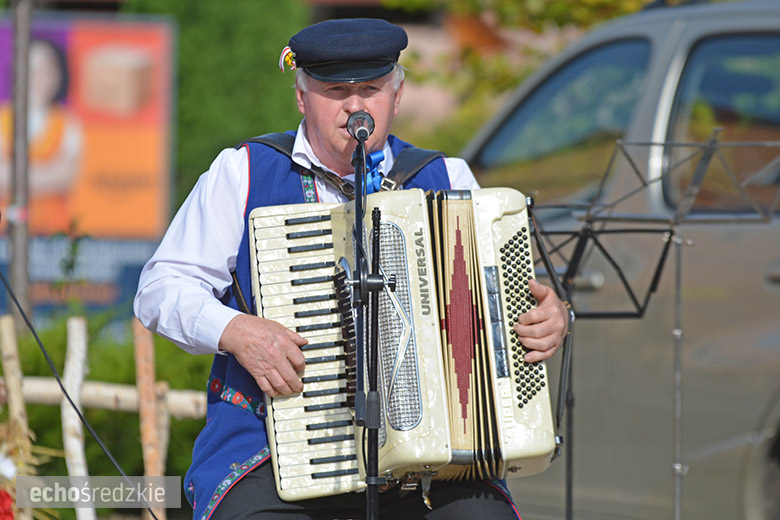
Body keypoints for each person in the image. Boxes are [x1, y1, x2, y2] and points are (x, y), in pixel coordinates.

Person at [134, 18, 568, 520]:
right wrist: (235, 329)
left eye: (371, 89)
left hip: (432, 460)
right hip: (269, 447)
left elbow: (501, 304)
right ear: (302, 98)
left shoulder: (448, 177)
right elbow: (160, 287)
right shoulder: (244, 170)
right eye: (336, 91)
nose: (355, 106)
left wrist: (545, 319)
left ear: (397, 96)